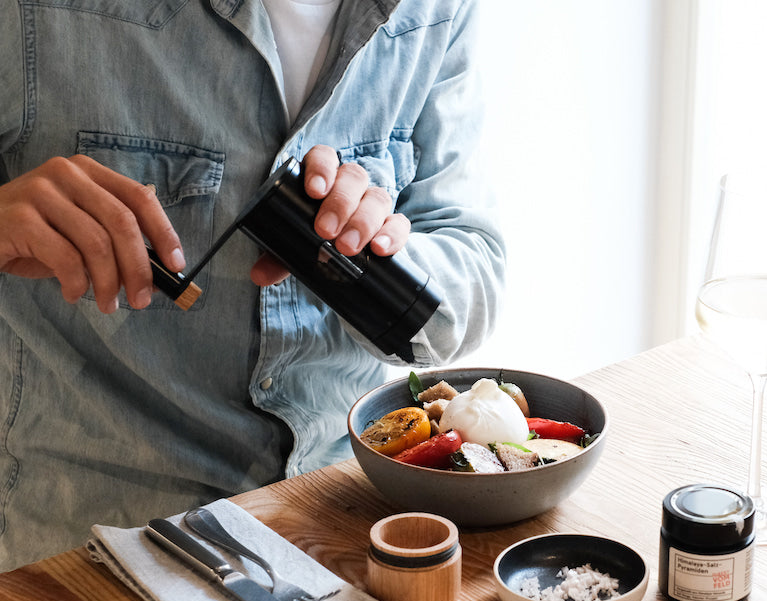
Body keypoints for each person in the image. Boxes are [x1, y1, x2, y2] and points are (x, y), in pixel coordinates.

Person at [0, 0, 505, 570]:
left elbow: (474, 269)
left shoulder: (435, 10)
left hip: (345, 523)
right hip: (92, 557)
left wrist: (377, 261)